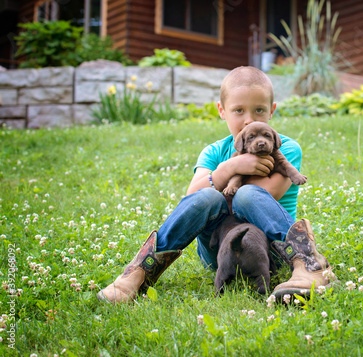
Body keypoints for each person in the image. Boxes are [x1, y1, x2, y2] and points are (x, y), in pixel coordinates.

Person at [97, 66, 334, 304]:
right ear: (222, 111)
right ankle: (139, 271)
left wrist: (239, 175)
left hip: (272, 250)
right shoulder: (214, 152)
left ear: (272, 111)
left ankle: (309, 264)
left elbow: (266, 194)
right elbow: (192, 198)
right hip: (216, 250)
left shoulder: (286, 148)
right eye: (238, 110)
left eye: (259, 110)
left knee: (246, 195)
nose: (249, 119)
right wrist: (229, 168)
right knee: (206, 197)